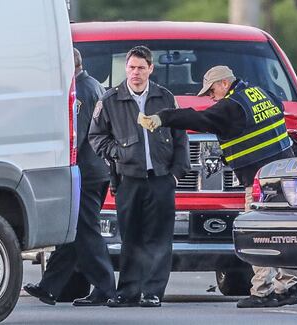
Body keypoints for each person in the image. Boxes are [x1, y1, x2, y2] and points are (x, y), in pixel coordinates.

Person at [139, 65, 297, 308]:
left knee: (255, 235)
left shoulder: (231, 106)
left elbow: (198, 118)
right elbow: (277, 109)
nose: (210, 97)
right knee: (280, 233)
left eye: (212, 91)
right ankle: (289, 286)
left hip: (260, 182)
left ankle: (262, 291)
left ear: (224, 83)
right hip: (283, 174)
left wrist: (163, 117)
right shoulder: (261, 93)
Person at [88, 45, 190, 308]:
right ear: (126, 68)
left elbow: (181, 137)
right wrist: (119, 153)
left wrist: (176, 174)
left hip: (161, 178)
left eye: (141, 68)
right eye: (132, 67)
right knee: (130, 236)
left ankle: (153, 291)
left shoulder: (165, 98)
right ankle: (129, 291)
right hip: (127, 179)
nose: (136, 73)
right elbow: (96, 137)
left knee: (159, 238)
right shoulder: (110, 100)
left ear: (150, 69)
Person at [23, 48, 116, 306]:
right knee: (72, 231)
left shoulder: (81, 92)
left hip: (85, 171)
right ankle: (50, 287)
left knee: (86, 231)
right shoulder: (94, 85)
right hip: (96, 170)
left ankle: (106, 287)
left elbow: (77, 134)